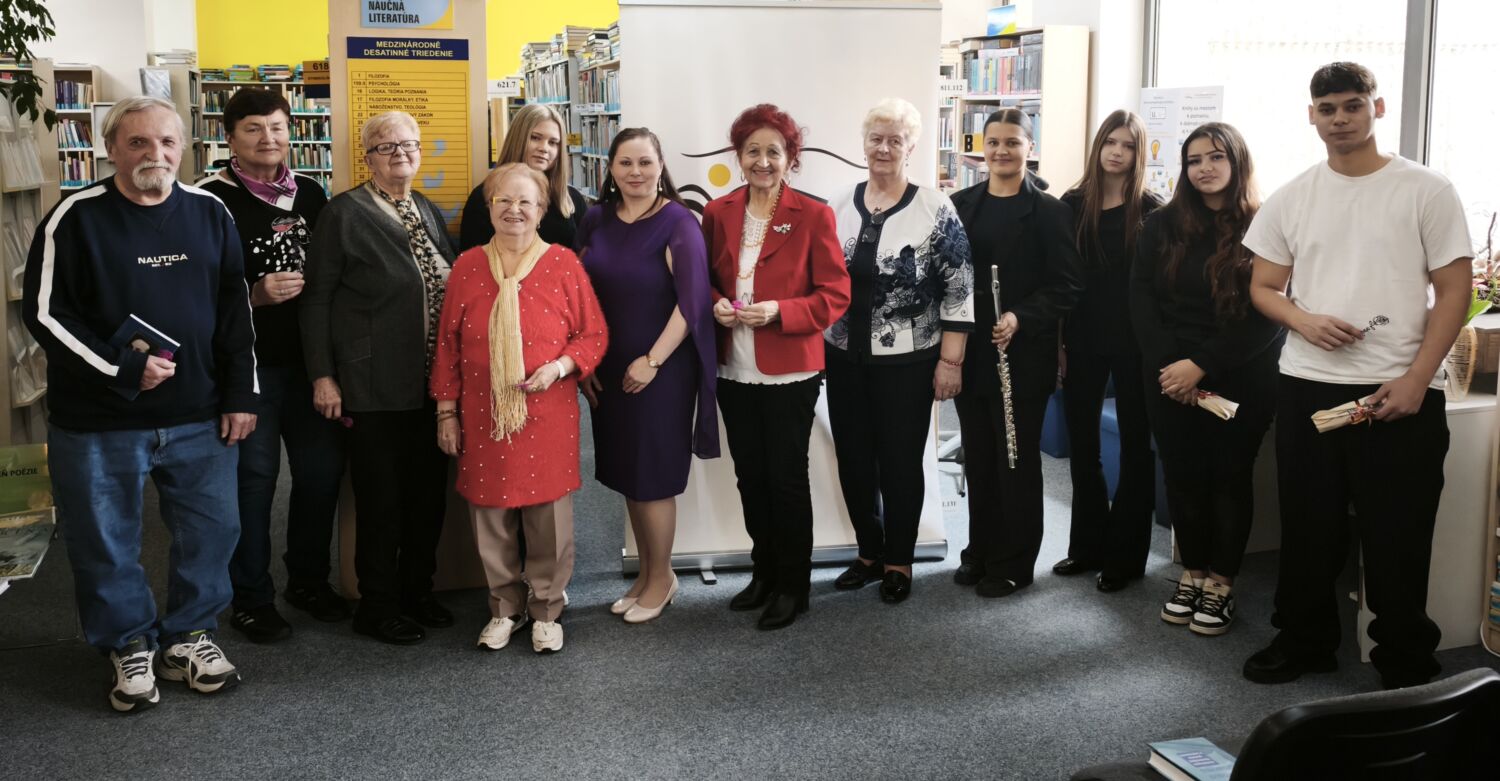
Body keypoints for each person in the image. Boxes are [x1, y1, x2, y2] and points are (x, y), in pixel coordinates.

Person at [22, 96, 258, 711]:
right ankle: (127, 643)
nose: (156, 154)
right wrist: (121, 367)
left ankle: (190, 636)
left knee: (213, 532)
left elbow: (235, 310)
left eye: (168, 142)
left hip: (200, 416)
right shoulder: (74, 217)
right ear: (110, 149)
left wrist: (241, 393)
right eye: (139, 143)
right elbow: (45, 314)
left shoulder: (210, 211)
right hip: (98, 423)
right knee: (105, 540)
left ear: (185, 148)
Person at [1243, 62, 1472, 688]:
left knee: (1399, 535)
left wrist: (1417, 379)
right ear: (1311, 116)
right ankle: (1304, 641)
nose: (1340, 119)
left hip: (1399, 389)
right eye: (1328, 108)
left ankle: (1405, 658)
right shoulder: (1293, 196)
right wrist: (1303, 319)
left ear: (1377, 108)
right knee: (1309, 528)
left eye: (1352, 105)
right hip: (1308, 386)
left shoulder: (1426, 189)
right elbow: (1264, 287)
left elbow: (1454, 291)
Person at [431, 163, 607, 653]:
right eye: (504, 201)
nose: (514, 210)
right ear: (489, 208)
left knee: (548, 517)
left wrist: (560, 367)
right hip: (482, 412)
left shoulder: (564, 264)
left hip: (547, 412)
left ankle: (547, 607)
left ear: (541, 210)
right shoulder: (467, 266)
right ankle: (504, 606)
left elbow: (592, 334)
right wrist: (446, 413)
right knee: (490, 513)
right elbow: (446, 345)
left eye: (525, 201)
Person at [196, 88, 348, 644]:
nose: (269, 138)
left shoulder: (310, 192)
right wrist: (252, 294)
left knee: (320, 476)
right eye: (254, 128)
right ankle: (252, 597)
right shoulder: (209, 199)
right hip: (250, 370)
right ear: (230, 136)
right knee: (254, 484)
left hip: (310, 365)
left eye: (278, 127)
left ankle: (308, 580)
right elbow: (194, 288)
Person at [301, 111, 455, 646]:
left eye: (409, 144)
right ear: (366, 157)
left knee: (427, 497)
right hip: (371, 384)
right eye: (386, 147)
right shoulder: (343, 213)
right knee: (381, 501)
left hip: (431, 384)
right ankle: (378, 605)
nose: (400, 154)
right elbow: (316, 299)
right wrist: (323, 375)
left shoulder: (426, 208)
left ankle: (417, 590)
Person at [1132, 122, 1284, 637]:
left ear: (1237, 161)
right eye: (1194, 160)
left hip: (1240, 372)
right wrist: (1172, 367)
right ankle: (1192, 574)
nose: (1205, 168)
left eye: (1216, 157)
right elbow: (1141, 298)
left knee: (1228, 478)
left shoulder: (1265, 224)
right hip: (1168, 375)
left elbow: (1267, 314)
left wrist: (1201, 365)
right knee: (1182, 475)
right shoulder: (1161, 223)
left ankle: (1221, 583)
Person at [703, 103, 851, 630]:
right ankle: (764, 573)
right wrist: (716, 304)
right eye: (752, 151)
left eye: (774, 151)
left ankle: (794, 586)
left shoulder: (813, 215)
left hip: (790, 371)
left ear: (791, 158)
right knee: (749, 476)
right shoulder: (717, 212)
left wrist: (781, 312)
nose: (762, 161)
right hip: (733, 368)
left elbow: (835, 294)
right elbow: (705, 282)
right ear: (738, 156)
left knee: (785, 479)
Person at [825, 98, 973, 604]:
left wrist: (950, 361)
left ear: (912, 147)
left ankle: (898, 560)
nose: (884, 148)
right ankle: (868, 552)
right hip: (844, 359)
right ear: (864, 144)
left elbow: (959, 288)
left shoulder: (935, 208)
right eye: (876, 138)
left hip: (909, 363)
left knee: (900, 463)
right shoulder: (838, 205)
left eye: (896, 140)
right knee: (853, 461)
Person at [576, 128, 718, 624]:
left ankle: (662, 579)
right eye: (625, 163)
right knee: (629, 474)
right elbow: (578, 293)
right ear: (610, 169)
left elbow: (692, 302)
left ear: (661, 167)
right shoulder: (595, 219)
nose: (635, 172)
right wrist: (585, 362)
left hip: (661, 369)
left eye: (645, 162)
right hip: (609, 365)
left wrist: (652, 361)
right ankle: (647, 574)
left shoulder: (679, 222)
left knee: (653, 477)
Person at [949, 109, 1084, 598]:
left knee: (1015, 460)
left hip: (1021, 354)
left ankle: (1014, 561)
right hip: (972, 351)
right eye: (994, 142)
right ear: (981, 148)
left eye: (1013, 142)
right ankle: (980, 550)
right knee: (979, 457)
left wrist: (1020, 316)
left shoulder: (1049, 211)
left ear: (1030, 147)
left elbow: (1067, 285)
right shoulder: (960, 204)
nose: (1002, 151)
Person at [1055, 110, 1163, 592]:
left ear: (1140, 154)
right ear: (1098, 147)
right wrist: (1058, 342)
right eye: (1110, 143)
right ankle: (1087, 547)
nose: (1117, 152)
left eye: (1128, 145)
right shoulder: (1073, 204)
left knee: (1137, 450)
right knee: (1083, 447)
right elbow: (1060, 279)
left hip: (1136, 345)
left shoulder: (1153, 210)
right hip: (1082, 340)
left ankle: (1126, 558)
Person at [458, 104, 588, 252]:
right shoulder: (484, 197)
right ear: (517, 139)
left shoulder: (572, 199)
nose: (544, 148)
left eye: (553, 142)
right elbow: (472, 260)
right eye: (535, 138)